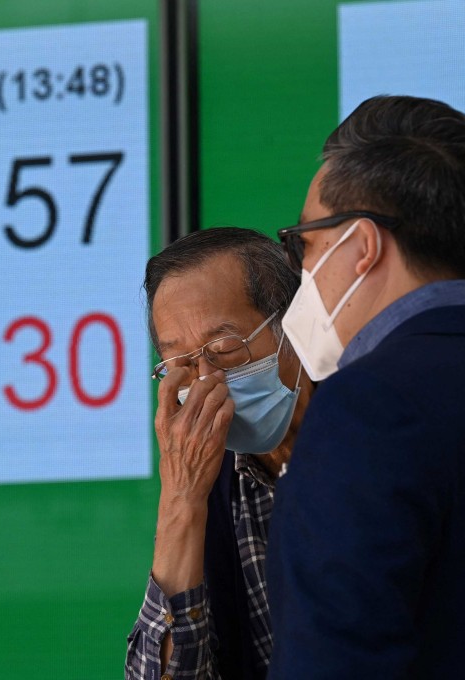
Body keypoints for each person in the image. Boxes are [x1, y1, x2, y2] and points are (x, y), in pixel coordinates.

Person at [267, 95, 465, 678]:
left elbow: (333, 659)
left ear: (362, 247)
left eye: (305, 243)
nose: (302, 271)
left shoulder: (366, 408)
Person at [126, 227, 315, 680]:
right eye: (182, 364)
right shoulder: (206, 476)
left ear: (294, 328)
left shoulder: (370, 437)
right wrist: (181, 501)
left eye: (226, 349)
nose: (206, 380)